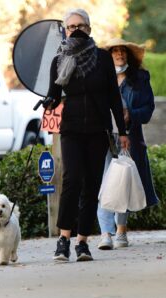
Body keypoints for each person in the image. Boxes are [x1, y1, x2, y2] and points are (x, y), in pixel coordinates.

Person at [46, 9, 129, 262]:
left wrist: (122, 132)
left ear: (89, 29)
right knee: (71, 180)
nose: (76, 30)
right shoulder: (58, 60)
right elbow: (54, 94)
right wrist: (50, 101)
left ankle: (82, 242)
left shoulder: (102, 59)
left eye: (81, 25)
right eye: (71, 27)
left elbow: (114, 97)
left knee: (92, 184)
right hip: (70, 129)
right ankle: (63, 240)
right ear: (65, 30)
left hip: (97, 129)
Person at [97, 38, 159, 250]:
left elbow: (148, 110)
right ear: (109, 56)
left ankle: (121, 231)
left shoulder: (140, 78)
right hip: (102, 137)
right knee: (104, 182)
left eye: (123, 51)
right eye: (115, 51)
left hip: (129, 138)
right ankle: (105, 233)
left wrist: (129, 113)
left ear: (128, 55)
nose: (119, 54)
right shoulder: (100, 78)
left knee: (121, 182)